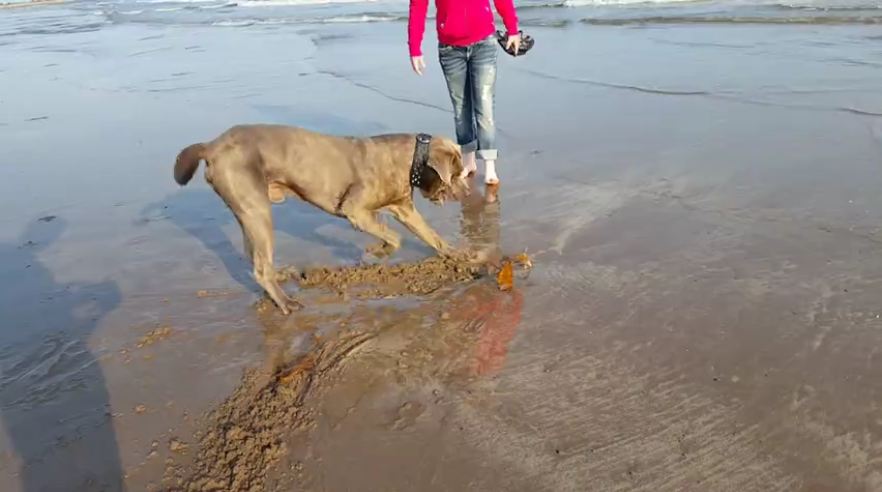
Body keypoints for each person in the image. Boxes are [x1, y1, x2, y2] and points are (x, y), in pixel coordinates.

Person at [407, 0, 521, 185]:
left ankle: (490, 167)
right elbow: (418, 7)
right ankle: (468, 162)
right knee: (461, 108)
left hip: (484, 43)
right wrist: (415, 48)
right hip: (450, 49)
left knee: (484, 107)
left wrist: (513, 29)